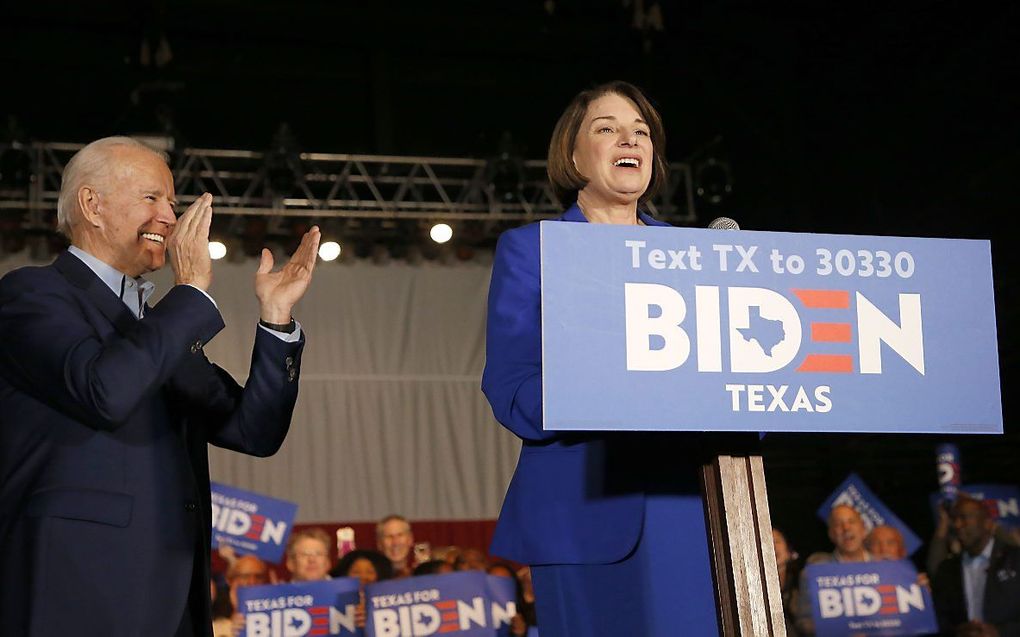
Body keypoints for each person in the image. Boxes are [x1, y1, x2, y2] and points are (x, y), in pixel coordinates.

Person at [0, 136, 319, 637]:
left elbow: (252, 432)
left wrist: (277, 320)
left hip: (176, 601)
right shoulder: (31, 295)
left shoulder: (155, 325)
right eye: (152, 198)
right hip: (79, 595)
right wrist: (189, 292)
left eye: (172, 203)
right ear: (92, 205)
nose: (170, 218)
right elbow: (104, 391)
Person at [481, 80, 756, 636]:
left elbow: (735, 381)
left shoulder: (697, 257)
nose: (629, 139)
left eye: (641, 131)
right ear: (573, 154)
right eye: (606, 128)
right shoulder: (531, 249)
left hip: (688, 511)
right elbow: (511, 389)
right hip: (580, 512)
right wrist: (604, 386)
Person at [932, 493, 1020, 636]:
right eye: (955, 520)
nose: (957, 525)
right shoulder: (947, 570)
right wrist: (958, 632)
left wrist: (1000, 632)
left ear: (987, 523)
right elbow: (942, 620)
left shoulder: (1015, 559)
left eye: (964, 518)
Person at [795, 504, 873, 635]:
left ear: (863, 528)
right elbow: (803, 621)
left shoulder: (889, 569)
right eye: (838, 524)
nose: (846, 528)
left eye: (851, 522)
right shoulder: (814, 573)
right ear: (831, 534)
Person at [212, 554, 272, 637]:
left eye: (258, 577)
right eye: (245, 576)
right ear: (230, 580)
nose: (252, 582)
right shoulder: (214, 622)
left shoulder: (276, 618)